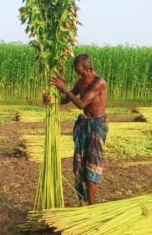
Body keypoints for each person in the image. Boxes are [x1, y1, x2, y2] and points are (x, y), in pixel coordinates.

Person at [43, 54, 108, 206]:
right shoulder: (81, 82)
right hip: (85, 124)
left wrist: (64, 87)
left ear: (90, 69)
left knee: (91, 167)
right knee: (79, 166)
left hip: (97, 126)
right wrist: (53, 99)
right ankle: (82, 202)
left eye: (81, 72)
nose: (79, 75)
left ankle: (92, 206)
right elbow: (67, 99)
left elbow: (81, 104)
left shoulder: (99, 82)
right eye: (77, 72)